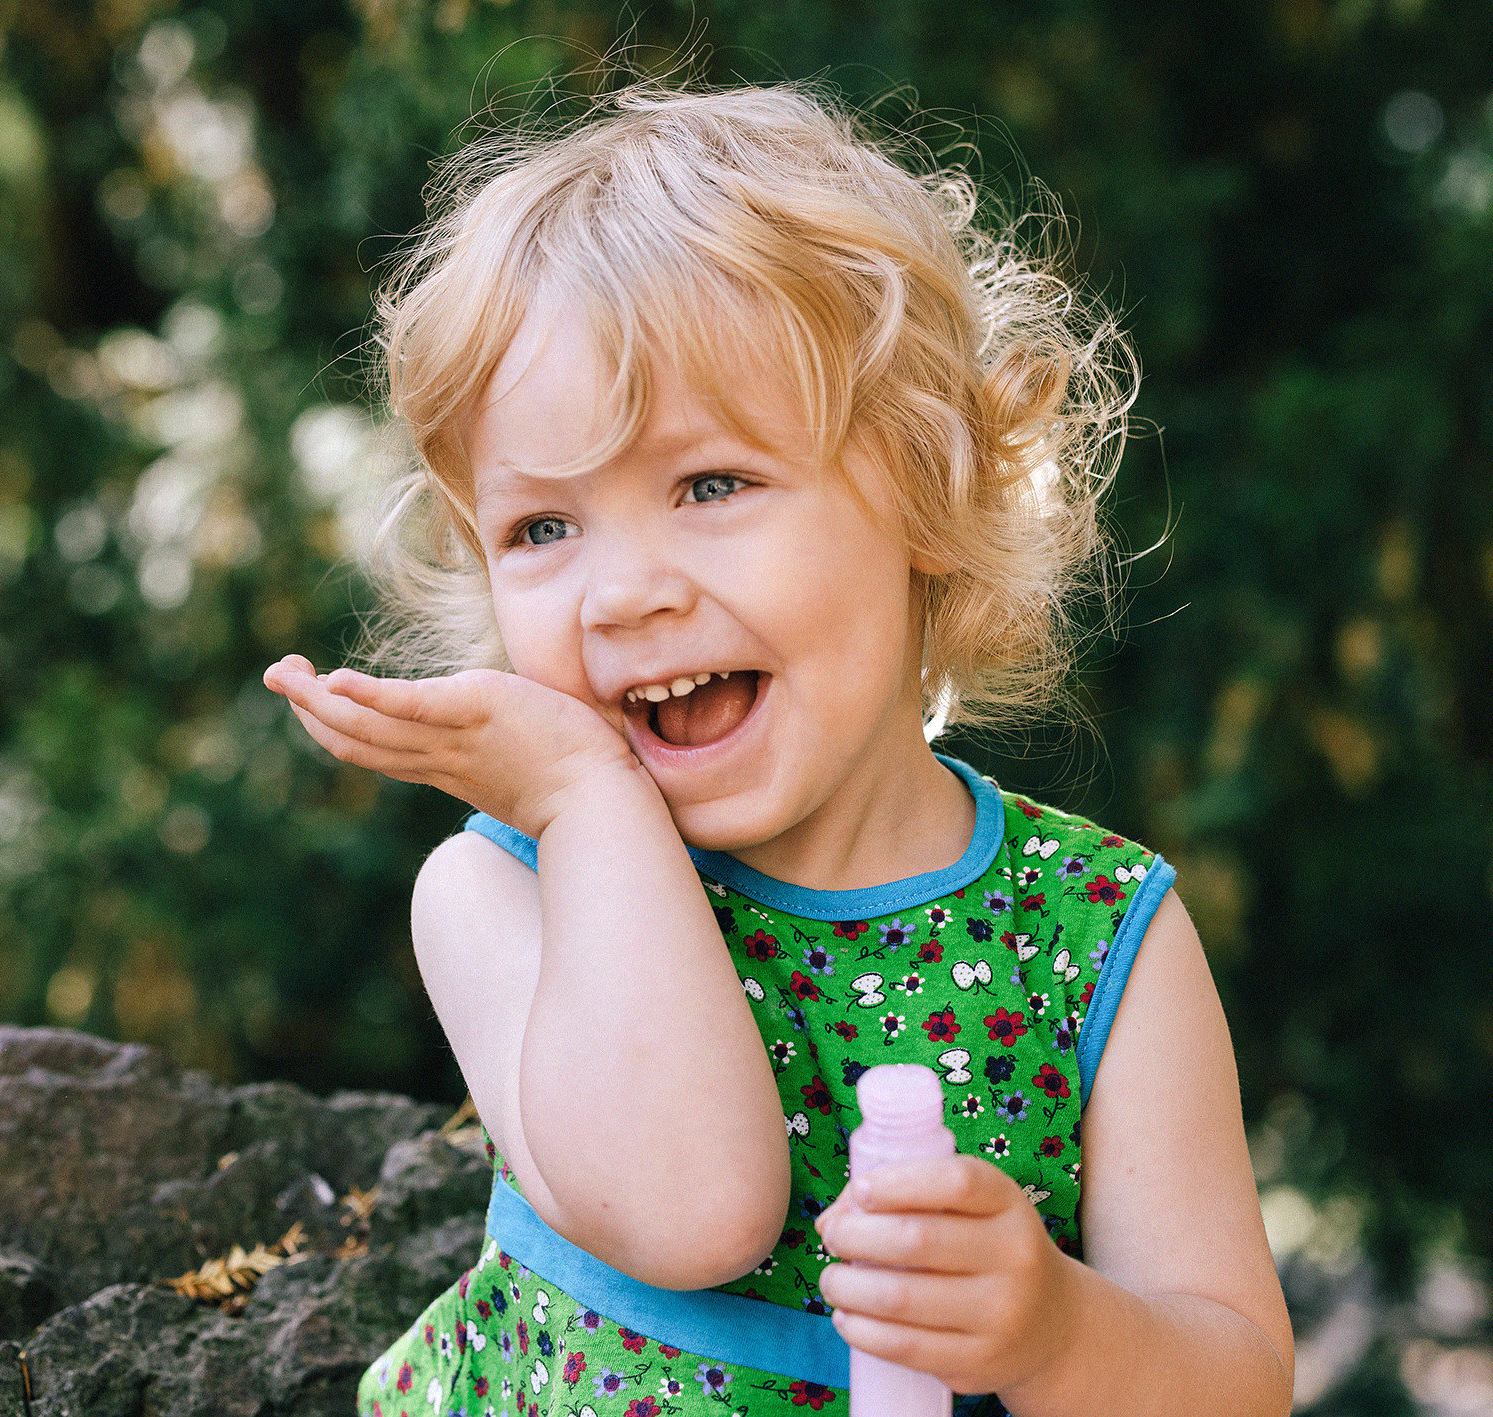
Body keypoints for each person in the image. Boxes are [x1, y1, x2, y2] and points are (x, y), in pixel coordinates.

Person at [264, 83, 1293, 1417]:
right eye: (540, 529)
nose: (621, 593)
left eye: (710, 485)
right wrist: (586, 800)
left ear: (928, 489)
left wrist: (1057, 1334)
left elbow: (1238, 1383)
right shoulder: (505, 885)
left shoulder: (1096, 936)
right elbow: (693, 1206)